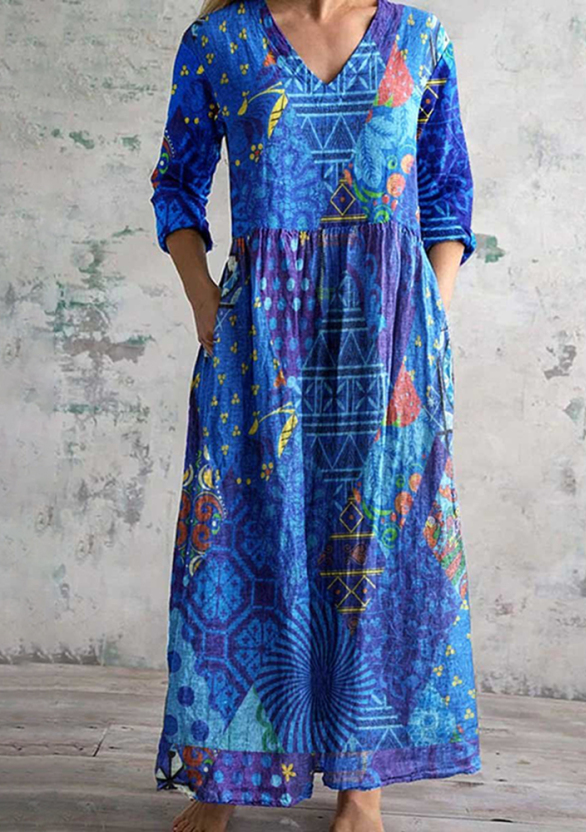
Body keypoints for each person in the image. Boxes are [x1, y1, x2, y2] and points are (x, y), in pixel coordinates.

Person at [149, 1, 481, 830]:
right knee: (243, 538)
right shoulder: (221, 41)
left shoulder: (419, 40)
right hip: (262, 332)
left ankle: (361, 784)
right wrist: (205, 304)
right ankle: (225, 775)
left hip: (389, 339)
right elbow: (176, 183)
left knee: (372, 547)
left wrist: (429, 315)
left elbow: (446, 192)